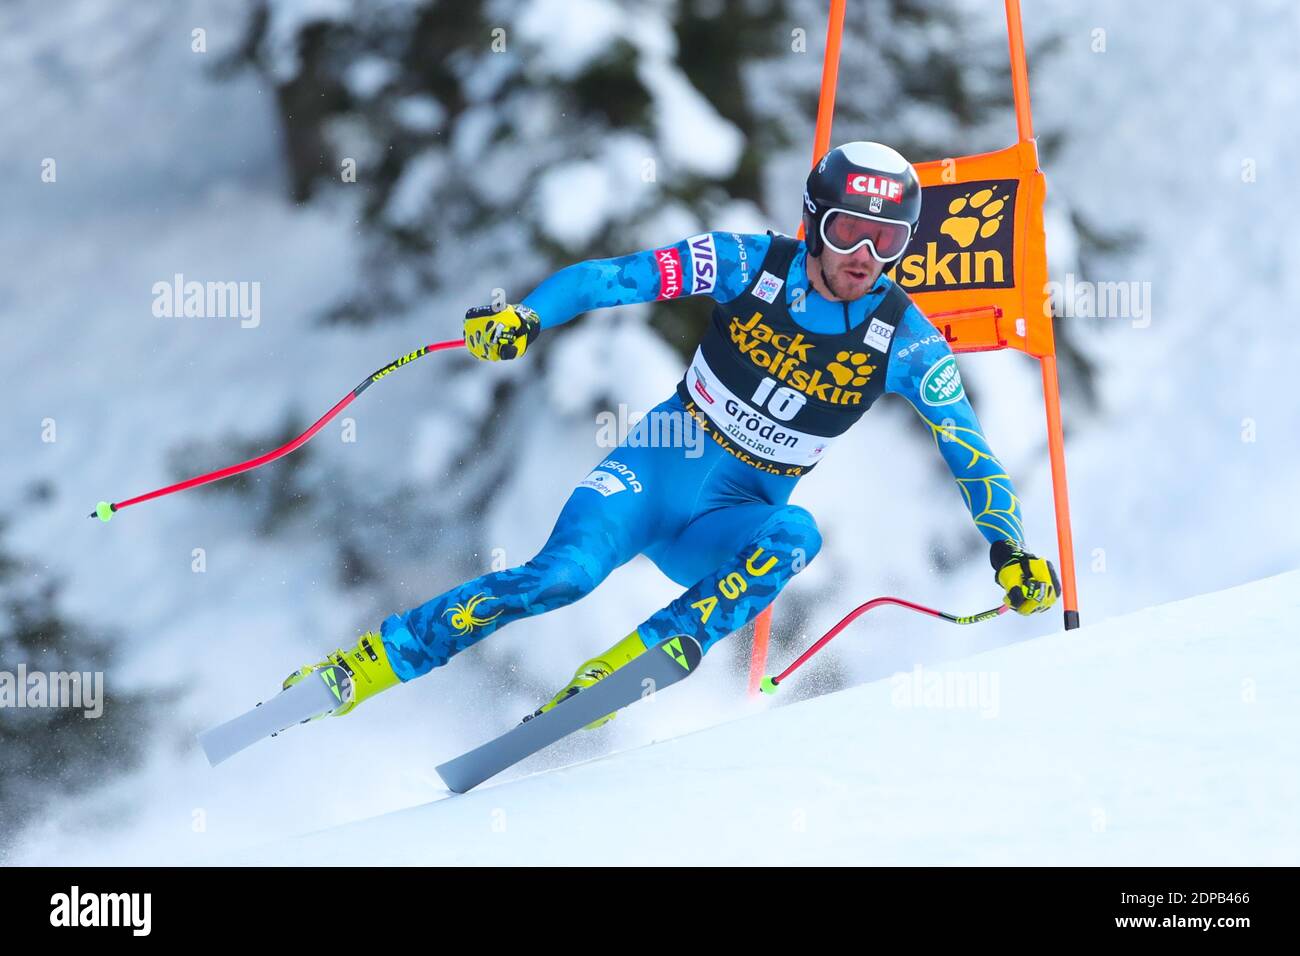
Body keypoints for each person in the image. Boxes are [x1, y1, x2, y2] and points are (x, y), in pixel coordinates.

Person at [283, 141, 1060, 727]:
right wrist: (528, 317)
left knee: (796, 535)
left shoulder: (905, 338)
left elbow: (968, 447)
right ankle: (369, 663)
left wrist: (1012, 549)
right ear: (814, 224)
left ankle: (625, 671)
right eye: (851, 232)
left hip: (730, 519)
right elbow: (614, 276)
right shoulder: (747, 265)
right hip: (653, 475)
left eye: (886, 242)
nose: (864, 258)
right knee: (561, 579)